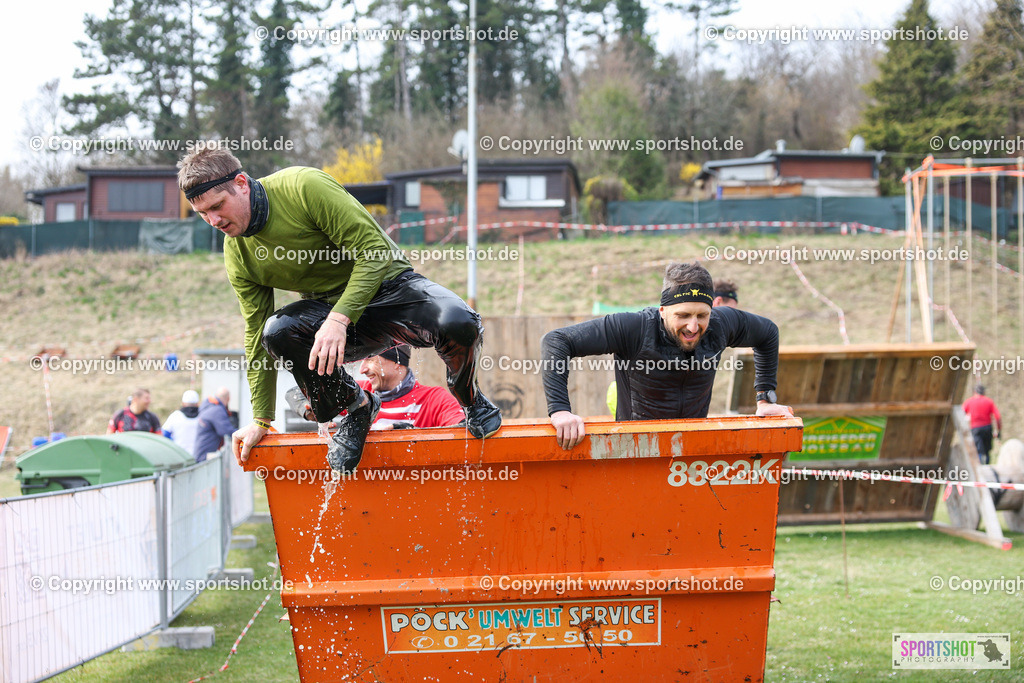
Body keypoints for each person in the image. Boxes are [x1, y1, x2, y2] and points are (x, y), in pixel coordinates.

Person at [177, 149, 500, 474]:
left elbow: (374, 253)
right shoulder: (237, 254)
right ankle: (356, 407)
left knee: (459, 321)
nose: (214, 221)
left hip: (393, 291)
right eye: (202, 214)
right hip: (342, 324)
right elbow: (255, 333)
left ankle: (469, 397)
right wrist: (261, 418)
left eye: (217, 206)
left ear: (241, 183)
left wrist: (338, 318)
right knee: (275, 331)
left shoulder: (303, 187)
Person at [542, 261, 793, 450]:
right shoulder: (635, 328)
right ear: (663, 310)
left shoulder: (721, 325)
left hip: (691, 451)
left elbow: (768, 333)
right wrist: (560, 411)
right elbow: (557, 341)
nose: (693, 327)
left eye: (701, 316)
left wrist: (766, 399)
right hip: (637, 450)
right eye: (683, 316)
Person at [357, 345, 466, 429]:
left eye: (370, 359)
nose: (362, 370)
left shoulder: (434, 399)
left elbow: (465, 431)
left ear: (397, 362)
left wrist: (414, 436)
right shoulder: (361, 392)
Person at [194, 387, 236, 463]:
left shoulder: (209, 406)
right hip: (205, 457)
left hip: (201, 453)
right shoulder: (217, 410)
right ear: (228, 398)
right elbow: (226, 430)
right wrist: (243, 434)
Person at [962, 384, 1002, 465]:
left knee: (978, 450)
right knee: (987, 451)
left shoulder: (969, 401)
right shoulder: (989, 401)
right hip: (987, 428)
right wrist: (999, 430)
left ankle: (980, 468)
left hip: (975, 428)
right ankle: (987, 466)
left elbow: (961, 413)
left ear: (974, 392)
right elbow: (998, 417)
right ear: (984, 392)